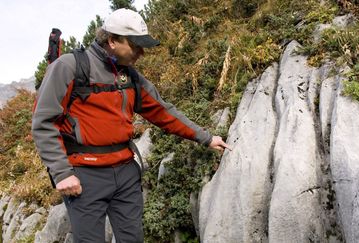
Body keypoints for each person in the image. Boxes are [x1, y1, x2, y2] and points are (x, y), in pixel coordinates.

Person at [32, 8, 230, 243]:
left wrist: (206, 137)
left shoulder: (130, 77)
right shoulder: (71, 67)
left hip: (125, 172)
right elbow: (44, 122)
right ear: (113, 40)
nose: (141, 53)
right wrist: (62, 173)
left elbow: (163, 112)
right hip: (85, 175)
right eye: (135, 45)